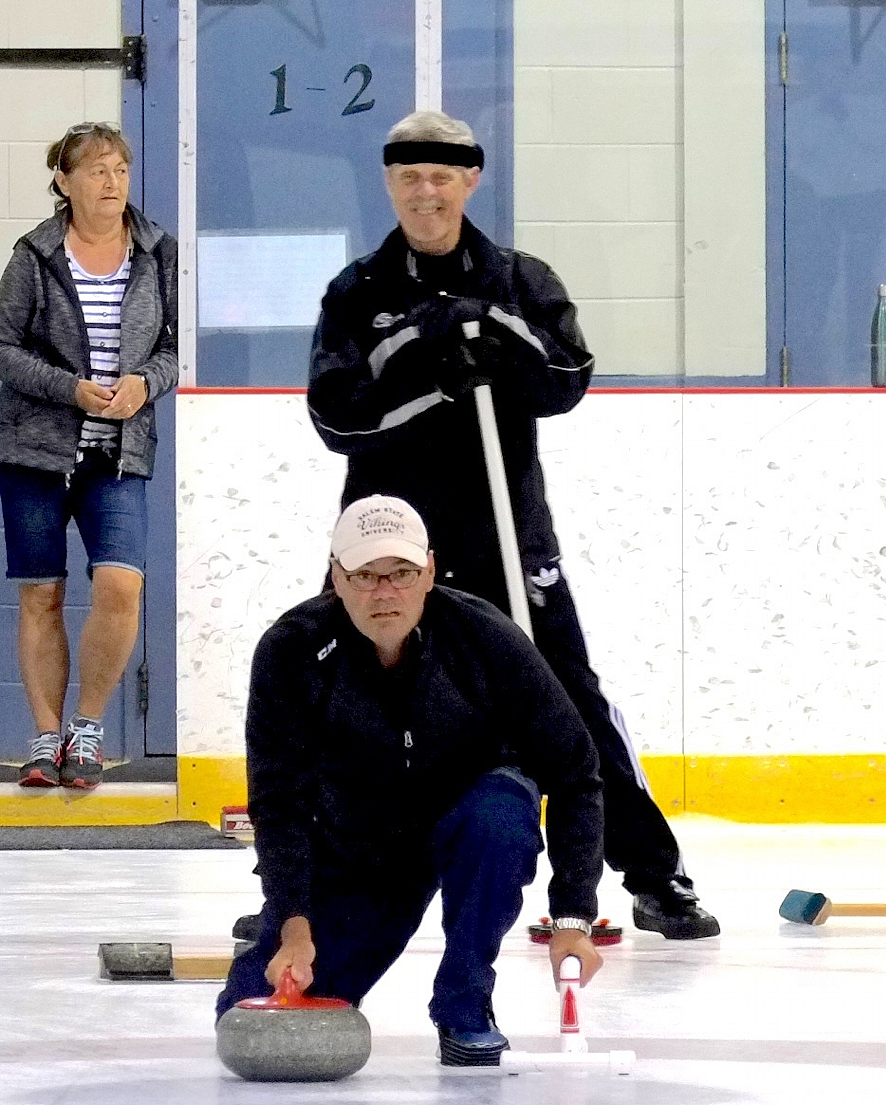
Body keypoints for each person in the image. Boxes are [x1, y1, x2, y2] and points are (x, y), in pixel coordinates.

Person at [305, 110, 717, 939]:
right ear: (390, 183)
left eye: (443, 175)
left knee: (572, 706)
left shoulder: (520, 277)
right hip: (389, 546)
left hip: (508, 537)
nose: (427, 191)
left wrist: (493, 332)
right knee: (339, 703)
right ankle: (301, 884)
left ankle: (653, 873)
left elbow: (567, 377)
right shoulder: (357, 293)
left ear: (471, 180)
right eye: (410, 176)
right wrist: (420, 350)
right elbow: (336, 418)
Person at [218, 496, 606, 1065]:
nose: (383, 592)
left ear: (428, 571)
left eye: (400, 574)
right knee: (249, 1014)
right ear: (336, 578)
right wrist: (293, 919)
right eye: (365, 576)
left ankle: (465, 1001)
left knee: (501, 812)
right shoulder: (291, 650)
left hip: (467, 821)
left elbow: (576, 771)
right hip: (358, 854)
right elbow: (280, 800)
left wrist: (573, 917)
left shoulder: (485, 637)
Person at [0, 121, 176, 789]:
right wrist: (68, 388)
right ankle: (45, 738)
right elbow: (5, 349)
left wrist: (144, 384)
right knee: (42, 593)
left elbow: (175, 345)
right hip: (35, 449)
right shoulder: (33, 256)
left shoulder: (158, 253)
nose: (112, 182)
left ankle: (87, 728)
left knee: (120, 584)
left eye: (120, 170)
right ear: (64, 183)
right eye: (97, 170)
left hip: (119, 452)